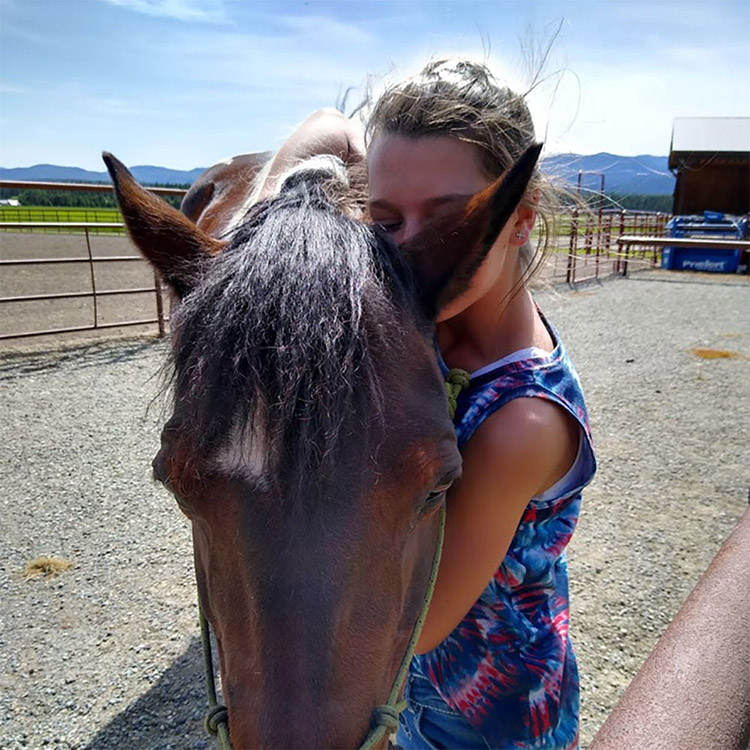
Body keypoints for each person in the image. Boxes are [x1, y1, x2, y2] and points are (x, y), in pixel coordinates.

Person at [261, 58, 596, 750]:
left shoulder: (520, 422)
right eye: (386, 222)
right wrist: (275, 225)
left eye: (445, 219)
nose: (409, 250)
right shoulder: (436, 324)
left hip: (484, 717)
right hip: (419, 694)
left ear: (519, 219)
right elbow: (325, 126)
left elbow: (422, 623)